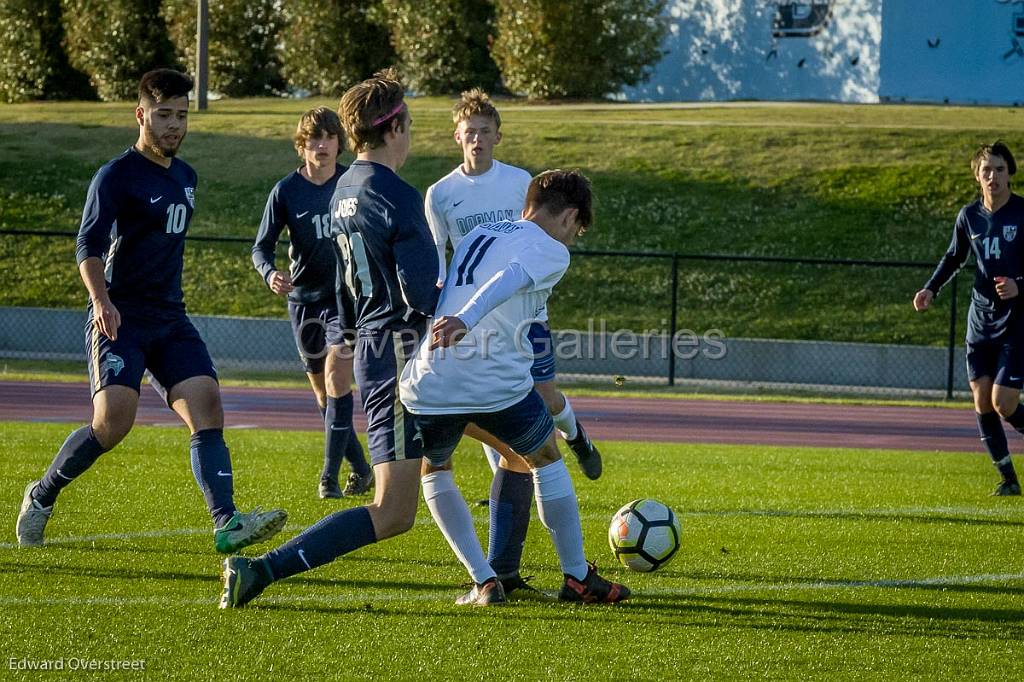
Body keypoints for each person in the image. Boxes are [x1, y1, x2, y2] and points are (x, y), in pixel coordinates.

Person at [15, 68, 288, 551]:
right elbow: (89, 246)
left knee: (207, 406)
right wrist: (101, 301)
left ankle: (226, 523)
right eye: (164, 115)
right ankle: (41, 495)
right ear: (141, 115)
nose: (174, 125)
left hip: (171, 319)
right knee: (112, 423)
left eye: (181, 116)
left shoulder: (187, 176)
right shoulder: (115, 176)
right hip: (120, 317)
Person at [219, 68, 440, 608]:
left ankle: (496, 575)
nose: (411, 135)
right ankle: (262, 570)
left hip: (372, 346)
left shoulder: (342, 188)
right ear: (394, 130)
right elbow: (420, 298)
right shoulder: (398, 195)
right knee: (395, 512)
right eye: (409, 124)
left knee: (516, 438)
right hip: (404, 355)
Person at [402, 169, 631, 605]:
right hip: (493, 382)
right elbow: (507, 280)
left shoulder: (480, 232)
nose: (573, 239)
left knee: (435, 468)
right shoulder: (551, 250)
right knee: (545, 457)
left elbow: (449, 284)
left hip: (430, 376)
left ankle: (485, 581)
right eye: (577, 230)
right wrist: (467, 321)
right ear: (568, 216)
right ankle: (578, 577)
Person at [424, 88, 602, 481]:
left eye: (485, 130)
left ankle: (577, 436)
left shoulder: (520, 181)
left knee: (546, 394)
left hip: (526, 314)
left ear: (497, 137)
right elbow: (439, 256)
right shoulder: (440, 193)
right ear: (457, 136)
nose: (477, 138)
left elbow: (531, 246)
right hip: (474, 318)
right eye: (469, 130)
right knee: (489, 395)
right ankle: (506, 481)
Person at [252, 107, 373, 499]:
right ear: (301, 147)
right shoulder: (286, 190)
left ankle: (328, 477)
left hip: (345, 301)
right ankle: (361, 469)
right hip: (303, 302)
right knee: (325, 397)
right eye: (313, 139)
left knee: (339, 378)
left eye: (329, 138)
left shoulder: (352, 184)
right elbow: (261, 248)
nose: (321, 145)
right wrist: (270, 274)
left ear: (340, 143)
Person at [914, 141, 1024, 496]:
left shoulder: (1023, 214)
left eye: (1000, 169)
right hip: (981, 320)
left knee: (1003, 402)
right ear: (977, 176)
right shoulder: (969, 216)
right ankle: (1008, 479)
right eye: (986, 170)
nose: (993, 176)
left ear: (1011, 174)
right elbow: (953, 257)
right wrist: (931, 289)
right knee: (981, 401)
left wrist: (1018, 285)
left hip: (1017, 322)